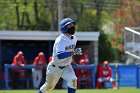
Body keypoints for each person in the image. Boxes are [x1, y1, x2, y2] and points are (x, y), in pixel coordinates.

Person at [38, 18, 82, 93]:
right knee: (48, 87)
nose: (72, 26)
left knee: (73, 80)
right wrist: (73, 52)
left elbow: (69, 52)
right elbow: (60, 55)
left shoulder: (74, 38)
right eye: (69, 25)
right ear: (64, 28)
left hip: (67, 65)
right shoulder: (60, 40)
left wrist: (74, 53)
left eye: (72, 25)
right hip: (55, 67)